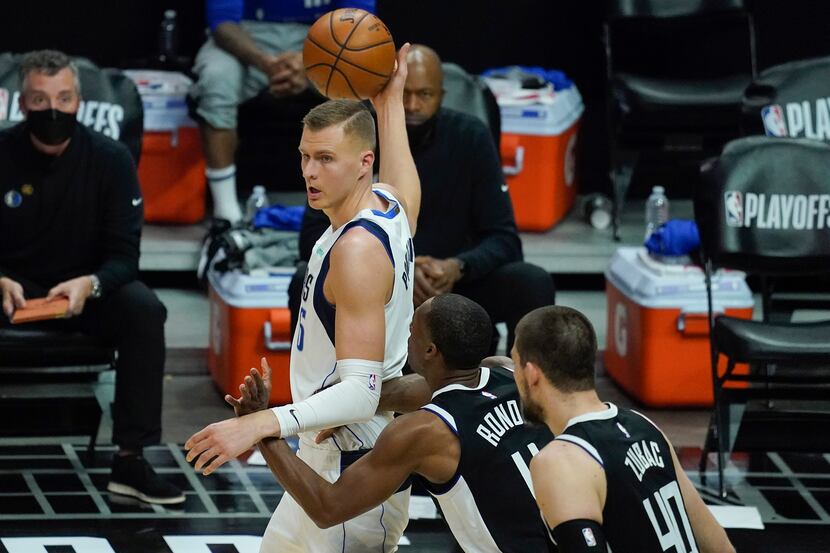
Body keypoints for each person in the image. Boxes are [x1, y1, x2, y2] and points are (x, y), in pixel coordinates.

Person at [185, 44, 420, 552]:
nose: (310, 173)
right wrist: (389, 100)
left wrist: (259, 423)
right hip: (331, 450)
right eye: (305, 158)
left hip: (352, 461)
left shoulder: (357, 249)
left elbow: (362, 391)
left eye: (325, 159)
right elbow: (405, 185)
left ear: (363, 163)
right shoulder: (388, 206)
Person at [229, 294, 556, 553]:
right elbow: (424, 389)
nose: (406, 336)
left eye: (412, 330)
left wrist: (263, 429)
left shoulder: (423, 431)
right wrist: (352, 401)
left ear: (430, 350)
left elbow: (327, 508)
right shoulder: (509, 373)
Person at [0, 50, 183, 505]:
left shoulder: (112, 159)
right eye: (40, 100)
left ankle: (130, 460)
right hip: (9, 292)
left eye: (63, 98)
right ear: (22, 104)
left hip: (82, 292)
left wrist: (92, 284)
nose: (53, 110)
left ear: (79, 101)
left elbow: (126, 256)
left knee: (143, 308)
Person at [297, 44, 555, 351]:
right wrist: (395, 269)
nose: (413, 105)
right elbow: (312, 238)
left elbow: (505, 240)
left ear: (442, 96)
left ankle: (523, 392)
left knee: (531, 281)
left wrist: (457, 267)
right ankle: (313, 391)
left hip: (452, 288)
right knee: (302, 278)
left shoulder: (470, 136)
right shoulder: (355, 137)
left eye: (425, 94)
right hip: (374, 286)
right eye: (404, 94)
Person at [512, 306, 735, 553]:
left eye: (515, 364)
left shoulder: (559, 460)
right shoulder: (645, 426)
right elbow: (720, 545)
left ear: (531, 374)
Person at [190, 0, 375, 222]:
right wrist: (265, 63)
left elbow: (358, 19)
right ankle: (226, 212)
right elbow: (223, 21)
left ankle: (362, 202)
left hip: (326, 35)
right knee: (217, 78)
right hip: (247, 35)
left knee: (367, 76)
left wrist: (309, 64)